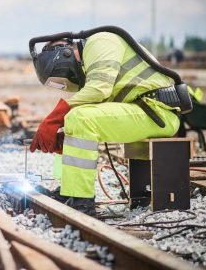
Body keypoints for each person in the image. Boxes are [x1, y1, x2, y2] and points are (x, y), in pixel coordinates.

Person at [29, 31, 180, 216]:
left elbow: (99, 89)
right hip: (143, 111)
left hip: (157, 112)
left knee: (79, 118)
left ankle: (81, 203)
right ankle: (72, 193)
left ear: (65, 56)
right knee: (77, 120)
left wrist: (53, 119)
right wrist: (69, 135)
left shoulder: (100, 41)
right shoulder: (91, 58)